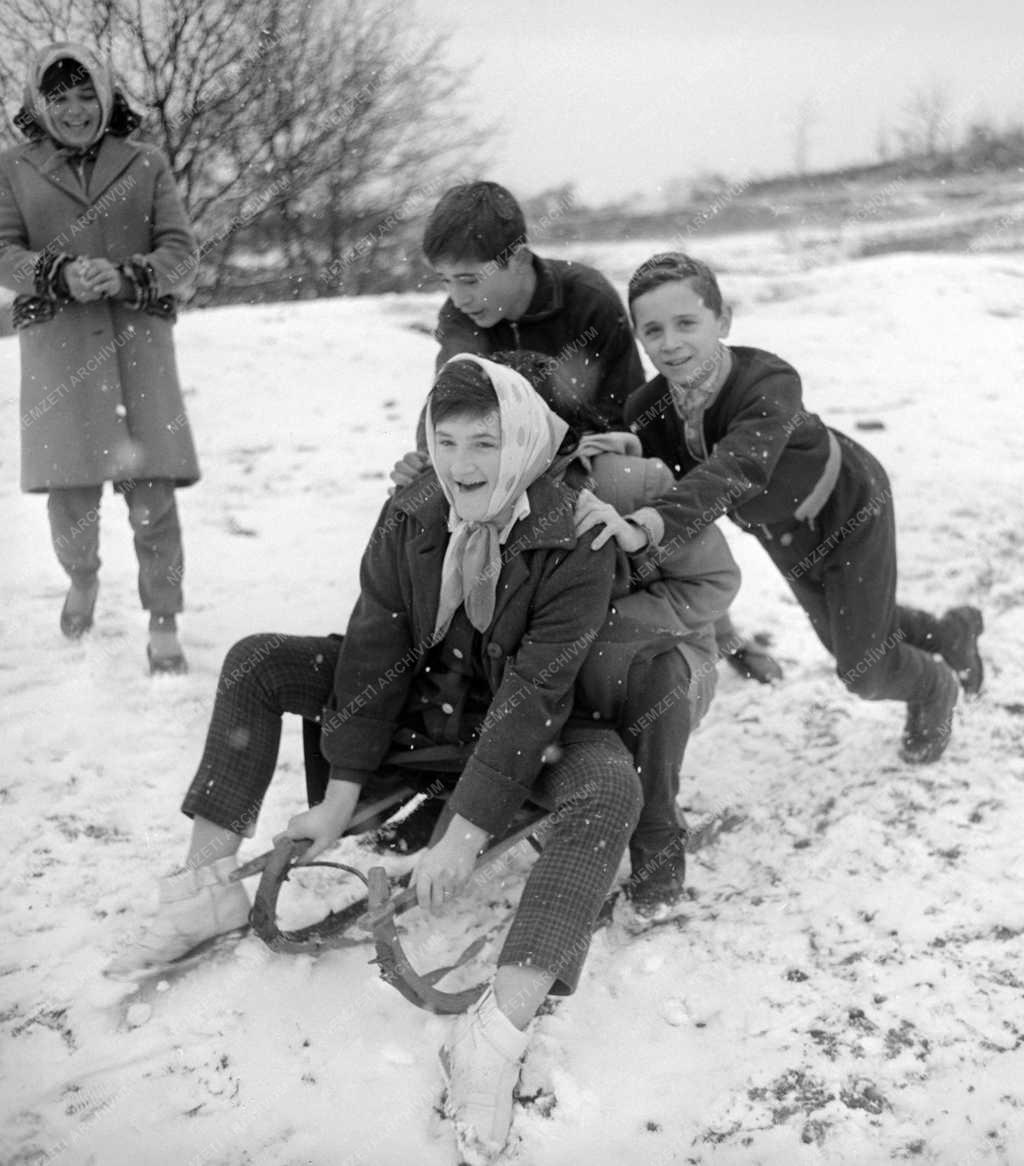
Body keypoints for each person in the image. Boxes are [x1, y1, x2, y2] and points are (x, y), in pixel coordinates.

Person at [108, 355, 648, 1163]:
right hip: (418, 714)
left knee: (610, 789)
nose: (462, 466)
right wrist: (341, 794)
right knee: (259, 660)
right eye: (447, 441)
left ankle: (494, 1036)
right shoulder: (413, 508)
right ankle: (208, 884)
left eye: (486, 444)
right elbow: (375, 643)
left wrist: (464, 831)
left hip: (527, 731)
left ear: (527, 440)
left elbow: (535, 692)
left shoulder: (576, 534)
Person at [388, 349, 741, 913]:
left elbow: (713, 584)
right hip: (543, 674)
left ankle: (656, 838)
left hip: (640, 663)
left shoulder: (628, 485)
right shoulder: (464, 484)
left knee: (657, 680)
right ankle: (456, 794)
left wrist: (596, 615)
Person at [622, 251, 985, 765]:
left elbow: (738, 467)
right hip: (780, 530)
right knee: (847, 636)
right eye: (653, 330)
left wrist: (656, 522)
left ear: (722, 320)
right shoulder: (647, 410)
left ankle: (934, 690)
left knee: (863, 669)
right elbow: (659, 477)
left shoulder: (767, 381)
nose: (671, 343)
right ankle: (950, 633)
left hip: (848, 505)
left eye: (687, 322)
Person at [422, 179, 780, 685]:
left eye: (469, 280)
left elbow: (627, 406)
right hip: (508, 459)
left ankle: (715, 628)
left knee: (660, 515)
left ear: (517, 258)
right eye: (446, 283)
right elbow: (449, 401)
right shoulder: (461, 317)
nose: (458, 298)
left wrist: (585, 456)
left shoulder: (585, 298)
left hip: (595, 445)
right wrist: (427, 455)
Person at [0, 42, 200, 673]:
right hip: (60, 353)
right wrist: (54, 273)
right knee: (71, 497)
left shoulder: (146, 164)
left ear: (107, 97)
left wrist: (127, 276)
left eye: (87, 95)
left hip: (137, 346)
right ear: (39, 104)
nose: (76, 110)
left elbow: (182, 250)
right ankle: (81, 577)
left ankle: (163, 617)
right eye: (59, 98)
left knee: (153, 496)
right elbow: (2, 250)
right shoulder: (13, 168)